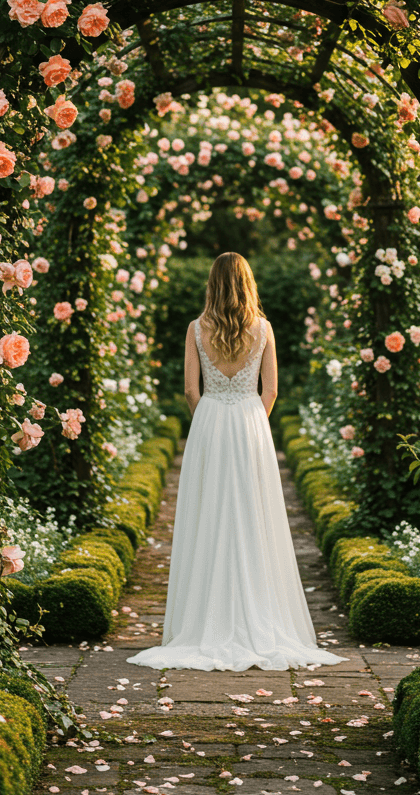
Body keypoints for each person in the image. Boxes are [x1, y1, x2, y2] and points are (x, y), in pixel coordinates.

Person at [127, 252, 350, 672]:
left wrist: (212, 421)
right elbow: (271, 392)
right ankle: (259, 613)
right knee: (253, 517)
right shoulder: (263, 328)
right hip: (250, 424)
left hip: (209, 421)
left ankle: (203, 618)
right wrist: (250, 423)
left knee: (207, 515)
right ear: (248, 283)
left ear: (212, 283)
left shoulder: (196, 329)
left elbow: (192, 391)